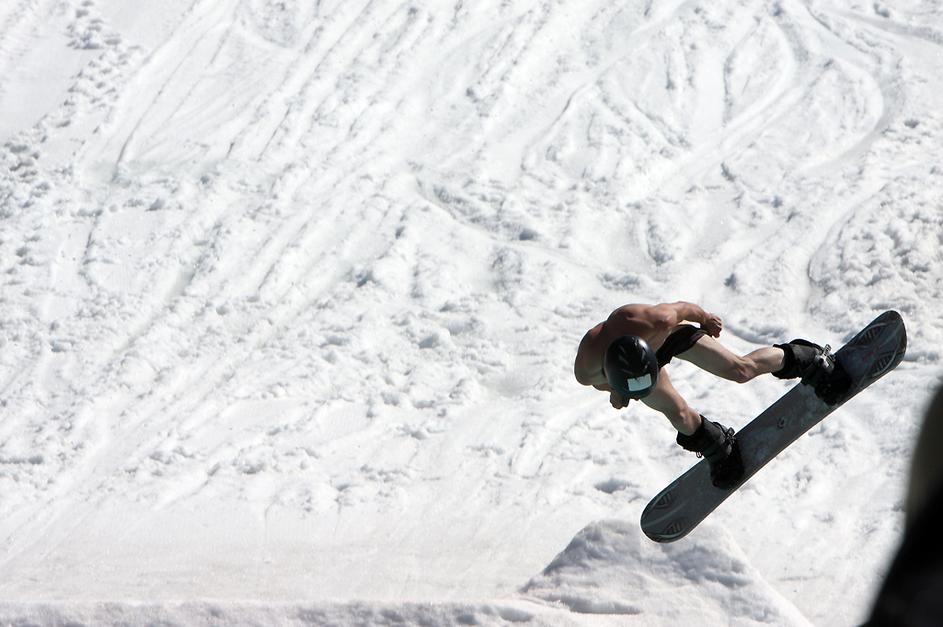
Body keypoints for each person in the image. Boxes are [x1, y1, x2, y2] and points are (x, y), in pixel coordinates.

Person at [574, 302, 827, 488]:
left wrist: (705, 318)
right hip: (629, 369)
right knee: (679, 415)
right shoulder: (587, 372)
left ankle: (806, 356)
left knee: (740, 370)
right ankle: (718, 445)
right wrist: (616, 391)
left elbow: (683, 309)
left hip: (669, 337)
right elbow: (601, 384)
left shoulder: (655, 320)